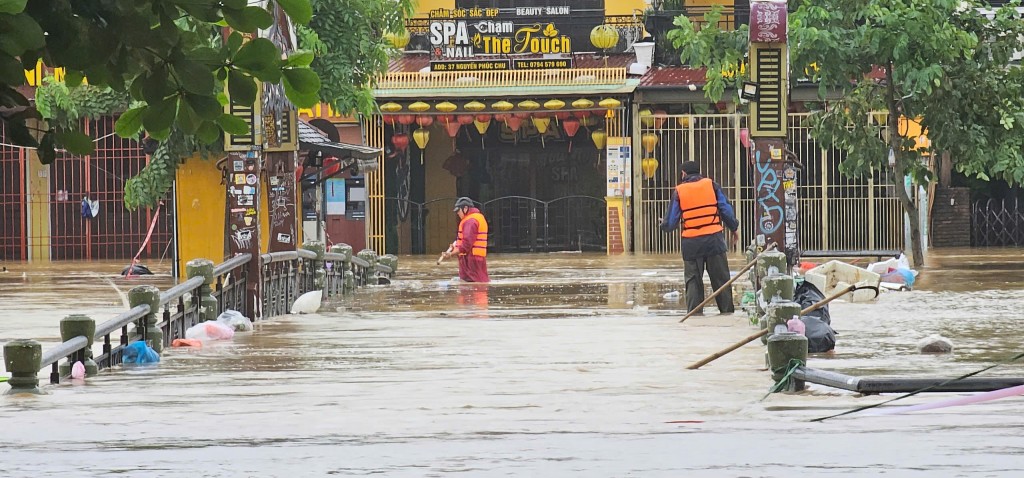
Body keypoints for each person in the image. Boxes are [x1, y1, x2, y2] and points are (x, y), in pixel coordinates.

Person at [660, 161, 739, 315]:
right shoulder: (712, 185)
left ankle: (695, 317)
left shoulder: (679, 191)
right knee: (721, 280)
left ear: (683, 174)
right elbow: (725, 210)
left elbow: (670, 224)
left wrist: (663, 225)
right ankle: (727, 314)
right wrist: (734, 228)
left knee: (693, 283)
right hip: (714, 241)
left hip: (691, 243)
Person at [443, 197, 490, 283]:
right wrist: (455, 248)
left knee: (473, 285)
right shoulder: (477, 218)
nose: (457, 213)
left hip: (471, 260)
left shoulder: (470, 221)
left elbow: (467, 244)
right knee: (478, 283)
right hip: (476, 258)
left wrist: (451, 254)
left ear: (465, 208)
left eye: (458, 211)